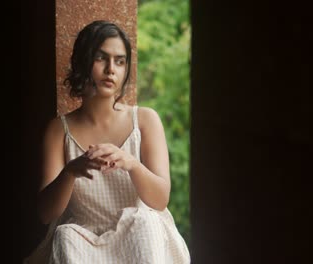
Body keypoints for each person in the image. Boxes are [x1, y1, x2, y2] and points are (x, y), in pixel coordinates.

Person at [24, 20, 190, 264]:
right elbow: (46, 214)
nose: (111, 69)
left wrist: (131, 163)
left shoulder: (144, 120)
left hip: (138, 238)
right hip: (86, 241)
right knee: (64, 235)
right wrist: (70, 171)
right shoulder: (59, 130)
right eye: (101, 58)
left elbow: (160, 199)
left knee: (147, 221)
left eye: (120, 61)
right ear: (83, 61)